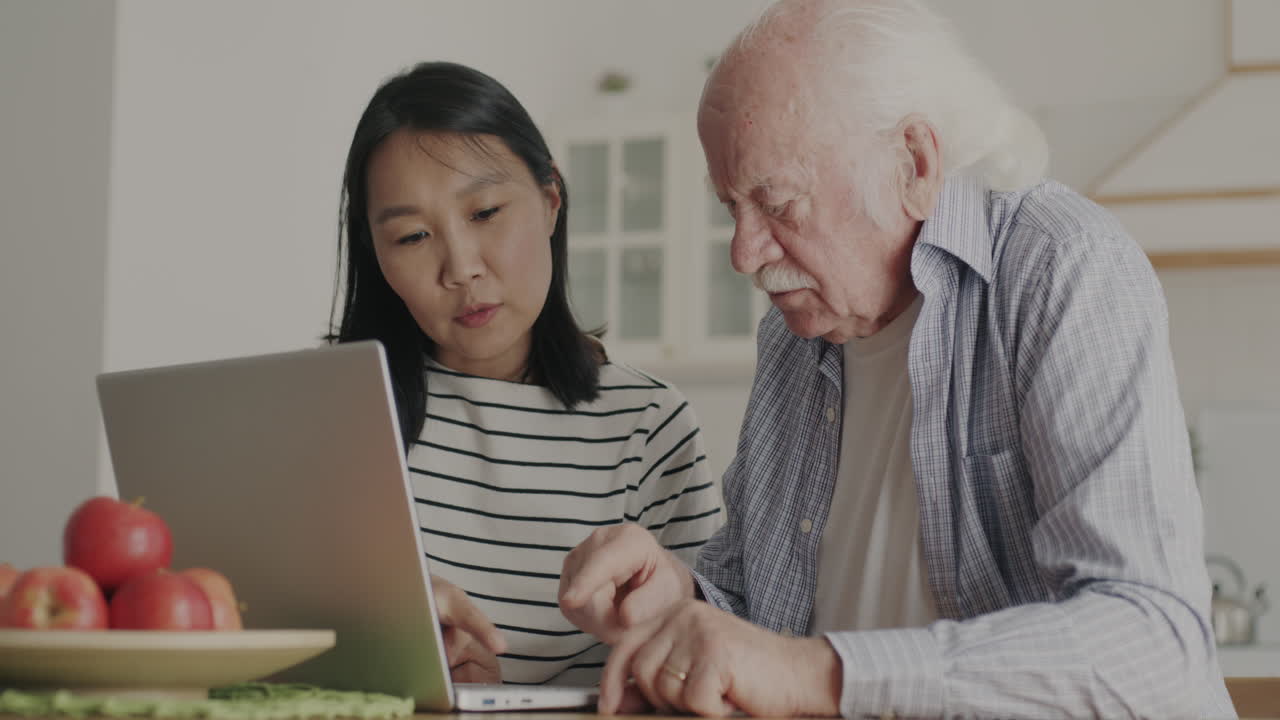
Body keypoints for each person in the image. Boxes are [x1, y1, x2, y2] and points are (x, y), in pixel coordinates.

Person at [557, 1, 1236, 717]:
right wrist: (680, 597)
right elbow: (764, 615)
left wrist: (815, 675)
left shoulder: (1062, 266)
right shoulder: (791, 336)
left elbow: (1152, 644)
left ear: (914, 162)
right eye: (731, 207)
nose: (742, 253)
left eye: (778, 203)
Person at [327, 61, 722, 687]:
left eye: (484, 213)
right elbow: (269, 642)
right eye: (412, 236)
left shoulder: (649, 422)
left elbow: (710, 649)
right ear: (377, 255)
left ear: (550, 199)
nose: (460, 268)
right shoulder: (336, 413)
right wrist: (390, 653)